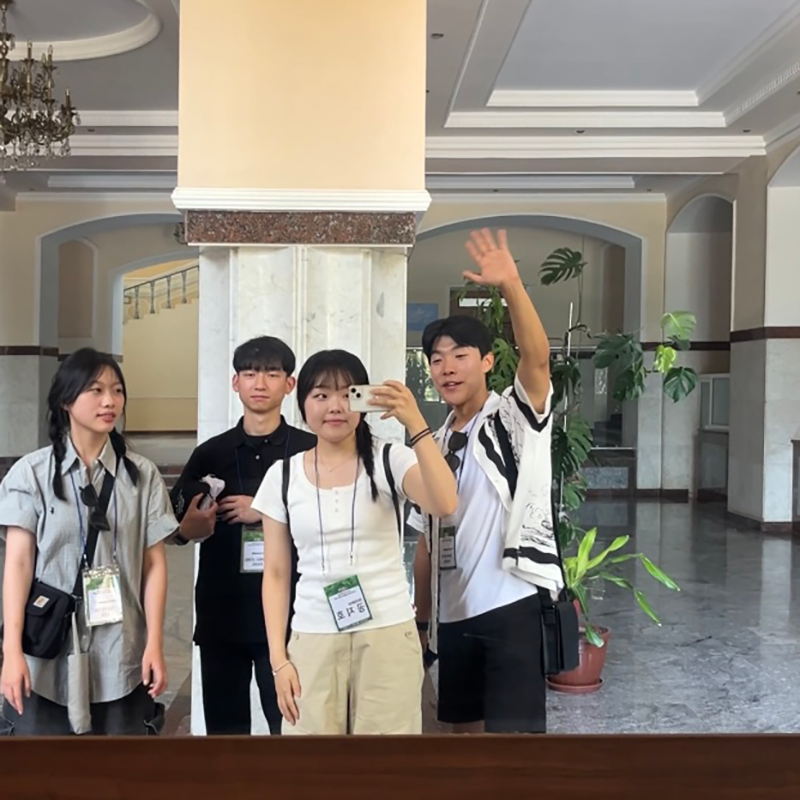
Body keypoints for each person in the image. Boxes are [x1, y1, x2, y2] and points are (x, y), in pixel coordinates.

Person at [254, 349, 457, 735]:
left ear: (365, 401)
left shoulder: (391, 459)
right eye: (321, 395)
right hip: (312, 635)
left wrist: (415, 422)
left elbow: (445, 502)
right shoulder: (282, 476)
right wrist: (279, 661)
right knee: (310, 761)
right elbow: (276, 574)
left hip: (387, 633)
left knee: (386, 761)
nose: (335, 406)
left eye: (349, 394)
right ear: (303, 404)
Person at [409, 228, 563, 735]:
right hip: (453, 615)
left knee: (514, 746)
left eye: (460, 356)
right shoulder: (433, 441)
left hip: (509, 604)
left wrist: (511, 285)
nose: (447, 369)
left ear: (488, 361)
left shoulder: (510, 418)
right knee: (463, 739)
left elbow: (536, 361)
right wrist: (424, 619)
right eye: (436, 360)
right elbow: (426, 538)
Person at [0, 348, 175, 736]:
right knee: (41, 765)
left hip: (123, 652)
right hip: (45, 652)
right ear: (66, 400)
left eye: (117, 390)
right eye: (95, 390)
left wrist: (155, 643)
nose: (109, 401)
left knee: (120, 767)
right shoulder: (31, 474)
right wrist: (11, 651)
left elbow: (154, 565)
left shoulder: (142, 476)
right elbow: (18, 565)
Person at [170, 336, 315, 735]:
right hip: (223, 614)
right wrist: (189, 529)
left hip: (293, 614)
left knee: (292, 730)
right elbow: (176, 527)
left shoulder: (310, 450)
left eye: (272, 374)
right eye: (249, 374)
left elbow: (329, 520)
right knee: (225, 736)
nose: (260, 383)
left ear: (289, 384)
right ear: (235, 383)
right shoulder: (210, 453)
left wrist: (265, 508)